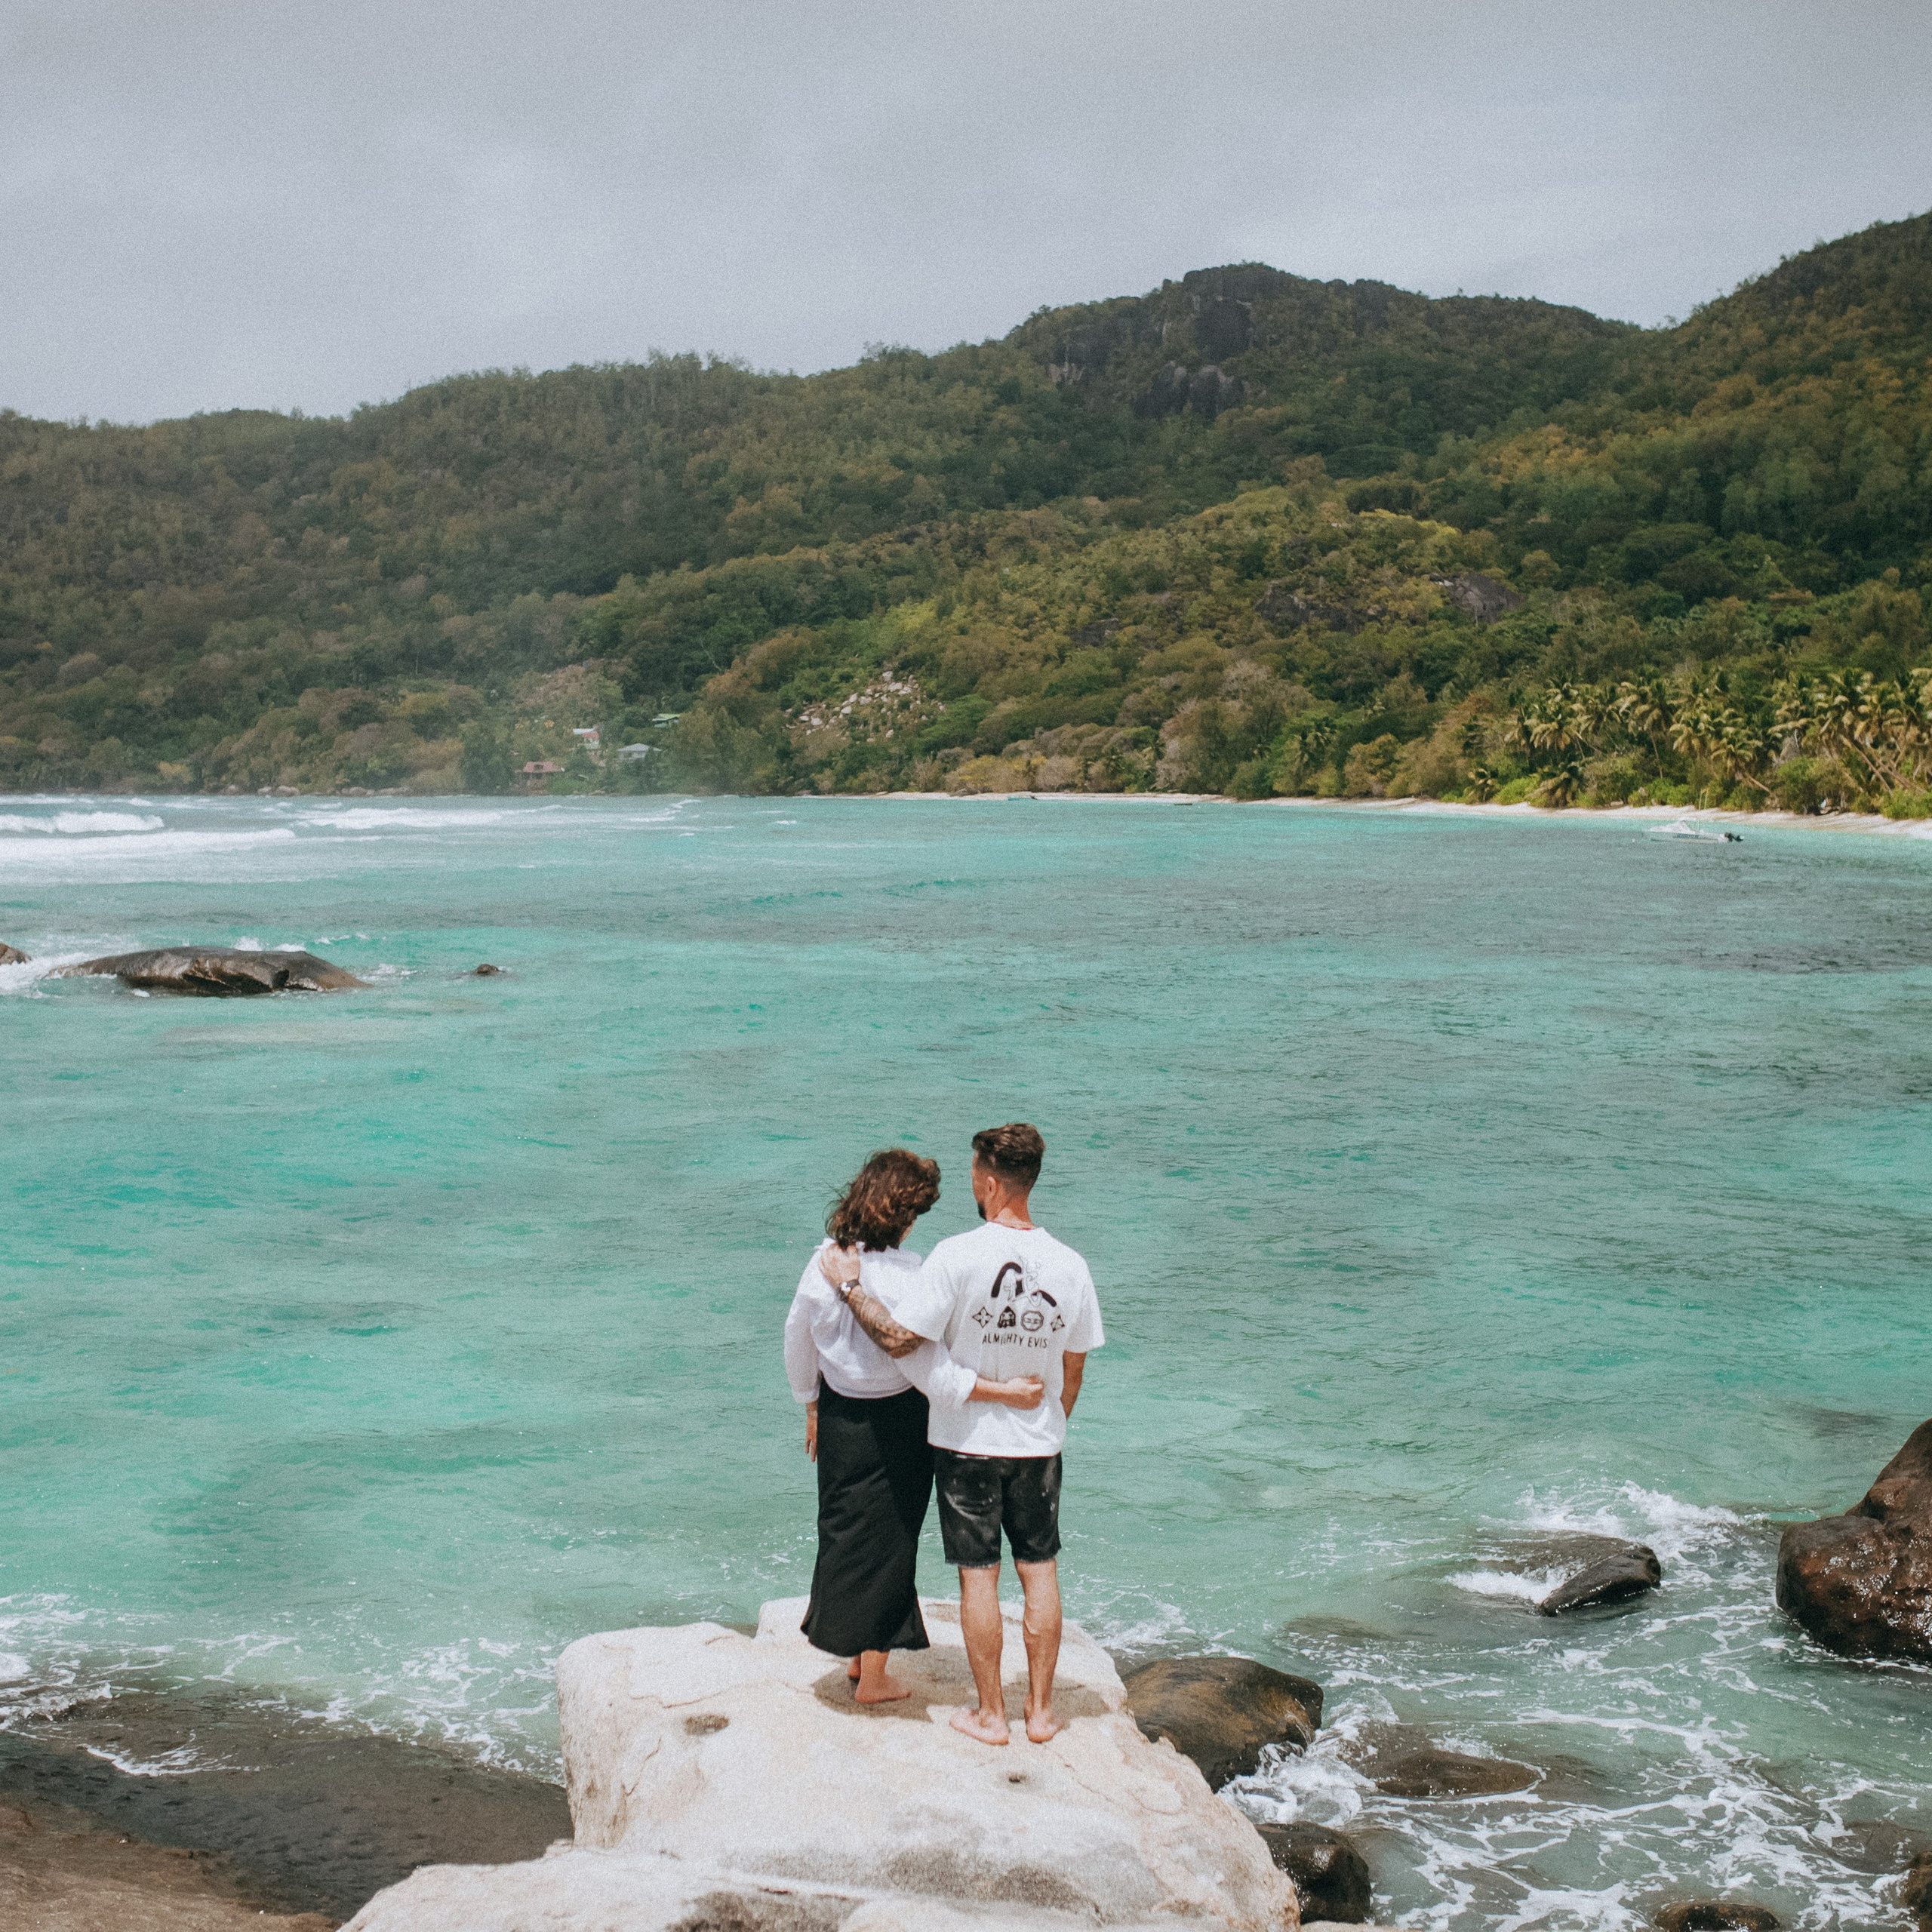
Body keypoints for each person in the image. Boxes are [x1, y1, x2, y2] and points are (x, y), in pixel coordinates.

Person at [821, 1123, 1103, 1746]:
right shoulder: (1073, 1265)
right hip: (1039, 1445)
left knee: (980, 1577)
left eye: (975, 1173)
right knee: (1041, 1570)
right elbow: (1074, 1371)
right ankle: (1042, 1714)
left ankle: (991, 1716)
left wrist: (848, 1285)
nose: (972, 1182)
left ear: (992, 1180)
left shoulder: (954, 1255)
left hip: (967, 1444)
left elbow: (900, 1341)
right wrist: (1044, 1424)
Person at [784, 1147, 1044, 1703]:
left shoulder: (824, 1261)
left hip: (837, 1414)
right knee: (891, 1539)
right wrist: (1000, 1392)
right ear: (902, 1216)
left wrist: (809, 1403)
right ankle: (873, 1678)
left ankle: (856, 1657)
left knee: (843, 1528)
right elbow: (925, 1365)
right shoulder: (914, 1275)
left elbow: (797, 1339)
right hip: (900, 1422)